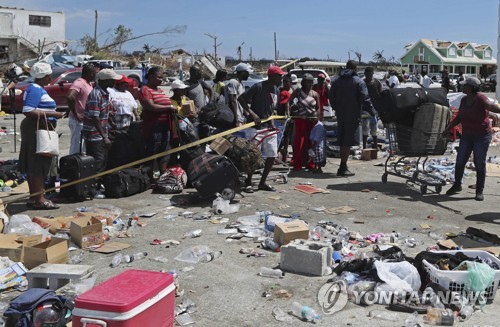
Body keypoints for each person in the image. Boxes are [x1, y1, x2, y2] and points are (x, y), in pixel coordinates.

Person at [442, 77, 500, 201]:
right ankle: (457, 185)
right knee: (460, 161)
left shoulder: (480, 98)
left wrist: (497, 111)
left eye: (465, 85)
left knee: (479, 163)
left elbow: (491, 106)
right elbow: (459, 117)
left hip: (481, 136)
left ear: (472, 88)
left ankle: (479, 191)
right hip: (467, 135)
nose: (462, 87)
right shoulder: (463, 100)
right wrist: (447, 129)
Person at [19, 62, 63, 209]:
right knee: (37, 164)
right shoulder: (35, 90)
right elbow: (28, 110)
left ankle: (34, 197)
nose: (51, 77)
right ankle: (40, 199)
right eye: (49, 75)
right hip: (36, 130)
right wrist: (53, 114)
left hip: (37, 128)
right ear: (44, 76)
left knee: (34, 163)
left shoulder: (38, 89)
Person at [238, 65, 286, 192]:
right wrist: (252, 114)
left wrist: (271, 121)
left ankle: (262, 182)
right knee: (252, 156)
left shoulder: (276, 89)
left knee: (272, 154)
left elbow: (272, 108)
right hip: (255, 128)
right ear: (271, 76)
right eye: (279, 76)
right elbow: (241, 99)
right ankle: (248, 182)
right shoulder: (258, 87)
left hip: (269, 128)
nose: (281, 78)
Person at [329, 60, 370, 176]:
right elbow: (364, 97)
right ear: (355, 69)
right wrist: (370, 110)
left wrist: (337, 108)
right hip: (352, 115)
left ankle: (343, 166)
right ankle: (342, 167)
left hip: (341, 115)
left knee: (342, 141)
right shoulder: (358, 81)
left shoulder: (337, 81)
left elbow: (331, 97)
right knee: (347, 141)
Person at [138, 67, 177, 174]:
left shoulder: (159, 90)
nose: (161, 80)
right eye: (159, 77)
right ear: (150, 77)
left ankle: (162, 176)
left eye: (162, 77)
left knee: (164, 152)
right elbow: (151, 107)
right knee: (152, 152)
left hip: (165, 126)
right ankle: (148, 178)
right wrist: (169, 107)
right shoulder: (145, 90)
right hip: (154, 126)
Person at [82, 69, 121, 176]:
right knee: (98, 161)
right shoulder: (96, 94)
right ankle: (94, 188)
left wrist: (111, 122)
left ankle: (99, 185)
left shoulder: (105, 93)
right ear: (104, 80)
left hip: (102, 132)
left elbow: (103, 112)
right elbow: (94, 117)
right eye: (112, 80)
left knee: (104, 160)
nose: (114, 82)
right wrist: (104, 137)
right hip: (94, 134)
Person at [289, 73, 320, 171]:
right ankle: (297, 164)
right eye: (307, 82)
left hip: (311, 121)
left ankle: (309, 163)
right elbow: (288, 102)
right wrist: (291, 110)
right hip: (300, 120)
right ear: (303, 82)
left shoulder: (315, 94)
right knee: (299, 143)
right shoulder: (298, 91)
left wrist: (316, 115)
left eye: (310, 82)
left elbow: (318, 109)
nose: (309, 84)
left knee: (310, 142)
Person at [66, 63, 95, 155]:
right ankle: (73, 167)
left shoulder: (88, 83)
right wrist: (76, 113)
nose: (95, 75)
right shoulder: (79, 82)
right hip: (77, 121)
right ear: (90, 73)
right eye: (94, 73)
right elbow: (70, 97)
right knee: (76, 146)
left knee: (83, 147)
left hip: (85, 120)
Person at [185, 64, 213, 138]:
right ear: (193, 73)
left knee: (205, 137)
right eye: (199, 72)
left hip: (203, 115)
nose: (201, 73)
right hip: (194, 118)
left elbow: (210, 89)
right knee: (194, 138)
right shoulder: (186, 85)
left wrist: (210, 101)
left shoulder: (200, 82)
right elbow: (183, 101)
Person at [362, 67, 381, 149]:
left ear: (373, 74)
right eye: (368, 75)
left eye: (371, 74)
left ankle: (376, 147)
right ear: (365, 74)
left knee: (374, 129)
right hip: (365, 109)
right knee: (365, 128)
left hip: (375, 109)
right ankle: (364, 147)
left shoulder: (377, 82)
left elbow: (380, 96)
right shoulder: (362, 83)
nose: (369, 76)